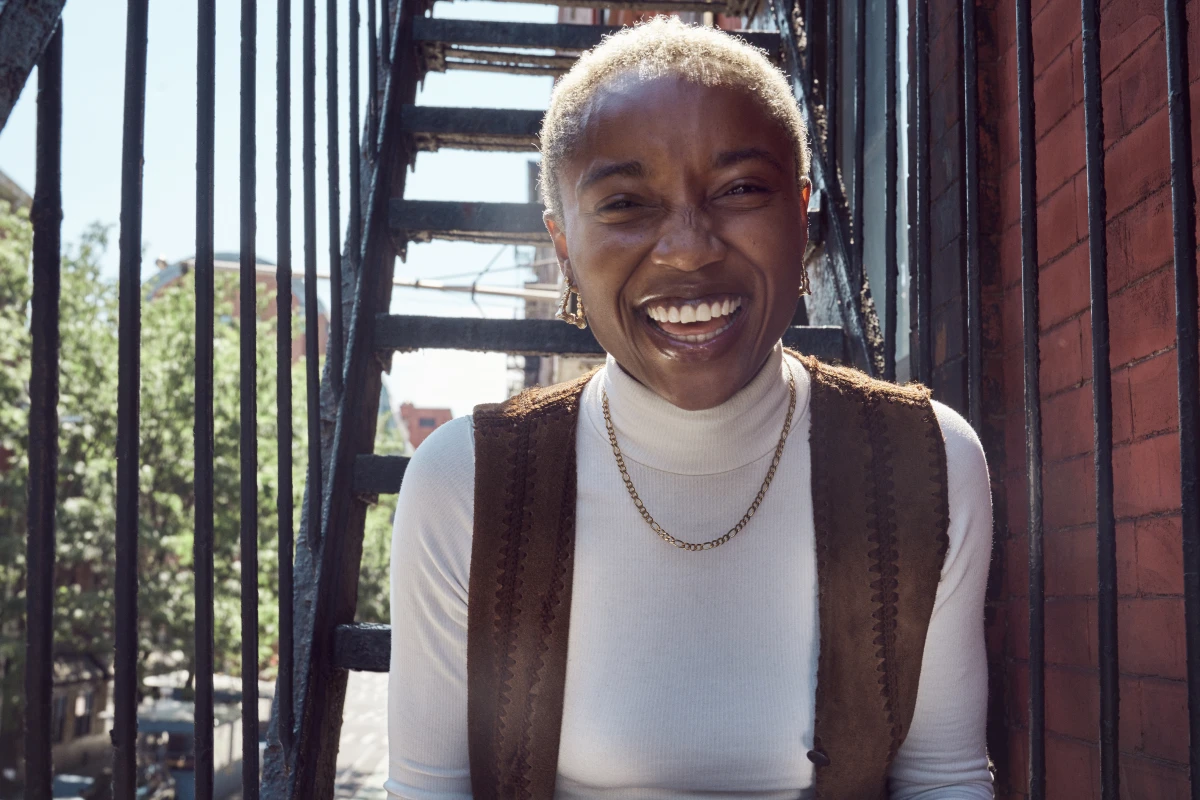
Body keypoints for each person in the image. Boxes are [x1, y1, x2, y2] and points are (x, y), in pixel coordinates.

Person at [386, 17, 993, 799]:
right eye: (624, 203)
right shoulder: (466, 486)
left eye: (741, 189)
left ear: (801, 216)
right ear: (563, 245)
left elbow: (944, 779)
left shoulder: (927, 464)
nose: (689, 247)